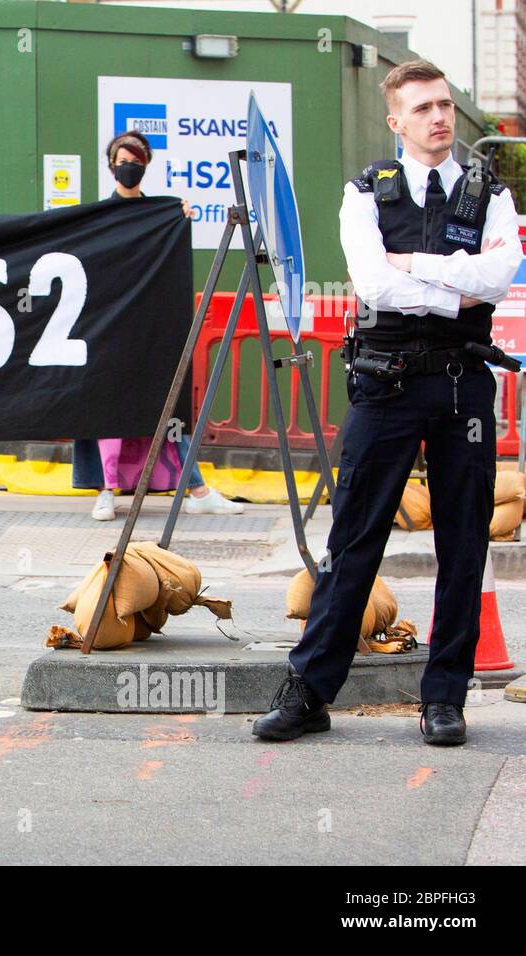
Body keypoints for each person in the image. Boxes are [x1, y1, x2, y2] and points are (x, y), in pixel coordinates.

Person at [254, 60, 522, 746]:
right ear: (395, 120)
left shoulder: (487, 193)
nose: (439, 117)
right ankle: (310, 691)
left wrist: (417, 266)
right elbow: (374, 286)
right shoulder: (365, 192)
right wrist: (449, 283)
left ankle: (444, 699)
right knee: (354, 540)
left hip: (462, 382)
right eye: (423, 107)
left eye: (444, 106)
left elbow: (497, 277)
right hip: (386, 383)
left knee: (463, 543)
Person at [72, 130, 244, 521]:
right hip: (108, 330)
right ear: (111, 164)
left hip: (149, 329)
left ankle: (196, 488)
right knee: (107, 409)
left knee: (169, 407)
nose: (127, 167)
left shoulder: (160, 214)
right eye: (121, 160)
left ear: (145, 165)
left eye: (134, 160)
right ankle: (106, 490)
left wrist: (177, 219)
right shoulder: (98, 217)